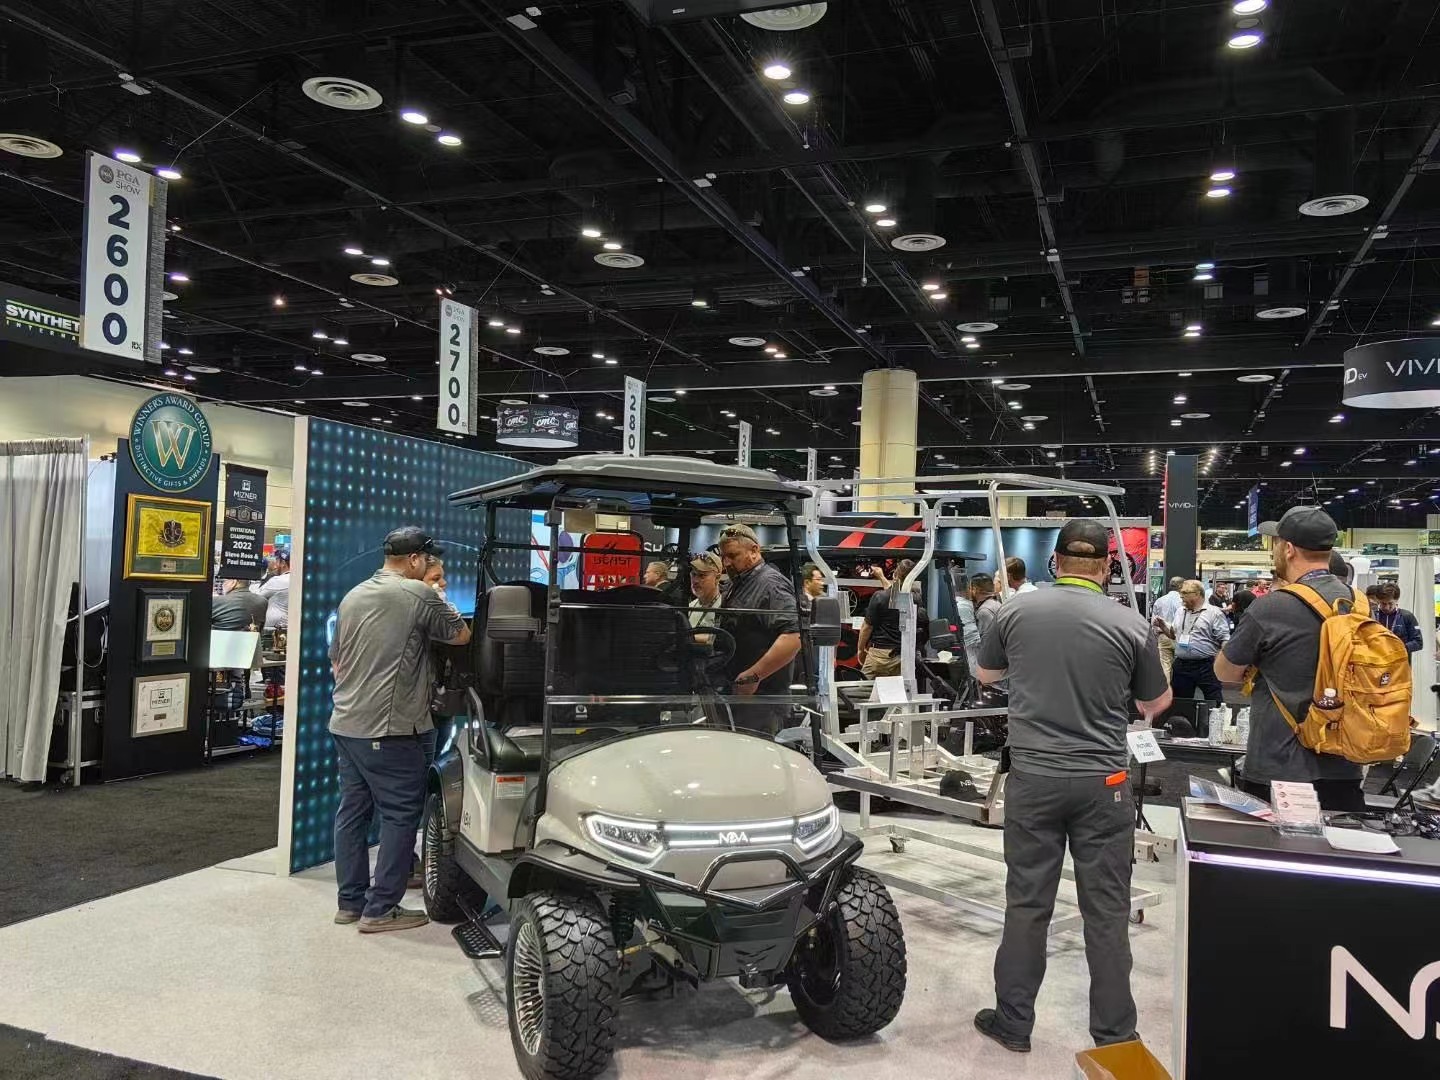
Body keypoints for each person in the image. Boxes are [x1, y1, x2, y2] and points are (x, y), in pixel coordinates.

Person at [972, 519, 1171, 1053]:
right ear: (1107, 566)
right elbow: (1156, 701)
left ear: (1056, 561)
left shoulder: (1013, 612)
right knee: (1107, 911)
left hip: (1034, 779)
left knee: (1027, 903)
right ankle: (1115, 1035)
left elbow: (987, 676)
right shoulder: (1131, 623)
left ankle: (1014, 1022)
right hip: (1104, 782)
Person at [328, 527, 472, 933]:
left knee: (352, 813)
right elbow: (462, 635)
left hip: (346, 722)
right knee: (400, 815)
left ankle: (350, 903)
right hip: (389, 727)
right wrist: (439, 597)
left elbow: (336, 660)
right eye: (427, 560)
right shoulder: (417, 594)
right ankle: (381, 908)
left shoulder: (354, 594)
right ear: (414, 560)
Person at [1213, 506, 1366, 813]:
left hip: (1279, 766)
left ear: (1289, 549)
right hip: (1345, 761)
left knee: (1269, 843)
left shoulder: (1271, 607)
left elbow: (1225, 672)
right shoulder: (1358, 603)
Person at [716, 524, 801, 735]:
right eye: (723, 557)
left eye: (732, 556)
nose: (726, 563)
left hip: (761, 701)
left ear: (754, 551)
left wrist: (753, 676)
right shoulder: (739, 583)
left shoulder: (770, 585)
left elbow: (794, 636)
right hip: (738, 696)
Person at [1155, 580, 1230, 707]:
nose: (1181, 596)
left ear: (1197, 594)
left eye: (1185, 593)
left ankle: (1216, 719)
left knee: (1215, 702)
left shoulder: (1214, 613)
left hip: (1206, 665)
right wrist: (1163, 626)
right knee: (1179, 704)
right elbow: (1173, 635)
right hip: (1182, 665)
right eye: (1181, 593)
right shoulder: (1180, 611)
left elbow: (1224, 640)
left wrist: (1223, 663)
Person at [857, 559, 926, 679]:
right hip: (902, 657)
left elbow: (867, 627)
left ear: (894, 574)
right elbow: (894, 594)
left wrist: (860, 649)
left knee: (865, 688)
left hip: (879, 656)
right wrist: (881, 577)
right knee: (898, 690)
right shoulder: (915, 599)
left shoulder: (879, 597)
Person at [1151, 576, 1185, 680]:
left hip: (1163, 636)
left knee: (1165, 665)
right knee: (1182, 665)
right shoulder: (1184, 601)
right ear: (1181, 586)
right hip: (1180, 637)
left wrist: (1157, 636)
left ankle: (1166, 688)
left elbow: (1154, 622)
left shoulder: (1159, 600)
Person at [1374, 583, 1423, 654]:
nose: (1387, 607)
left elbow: (1418, 642)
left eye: (1390, 603)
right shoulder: (1373, 616)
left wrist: (1400, 648)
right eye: (1383, 603)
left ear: (1397, 600)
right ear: (1378, 600)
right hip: (1377, 658)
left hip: (1400, 659)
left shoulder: (1407, 616)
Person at [688, 552, 724, 629]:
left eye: (702, 575)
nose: (695, 580)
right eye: (694, 574)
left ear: (717, 578)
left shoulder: (724, 609)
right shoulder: (691, 606)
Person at [257, 548, 291, 630]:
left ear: (283, 563)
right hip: (293, 627)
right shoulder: (300, 580)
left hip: (274, 630)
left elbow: (256, 597)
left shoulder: (278, 580)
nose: (275, 565)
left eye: (277, 561)